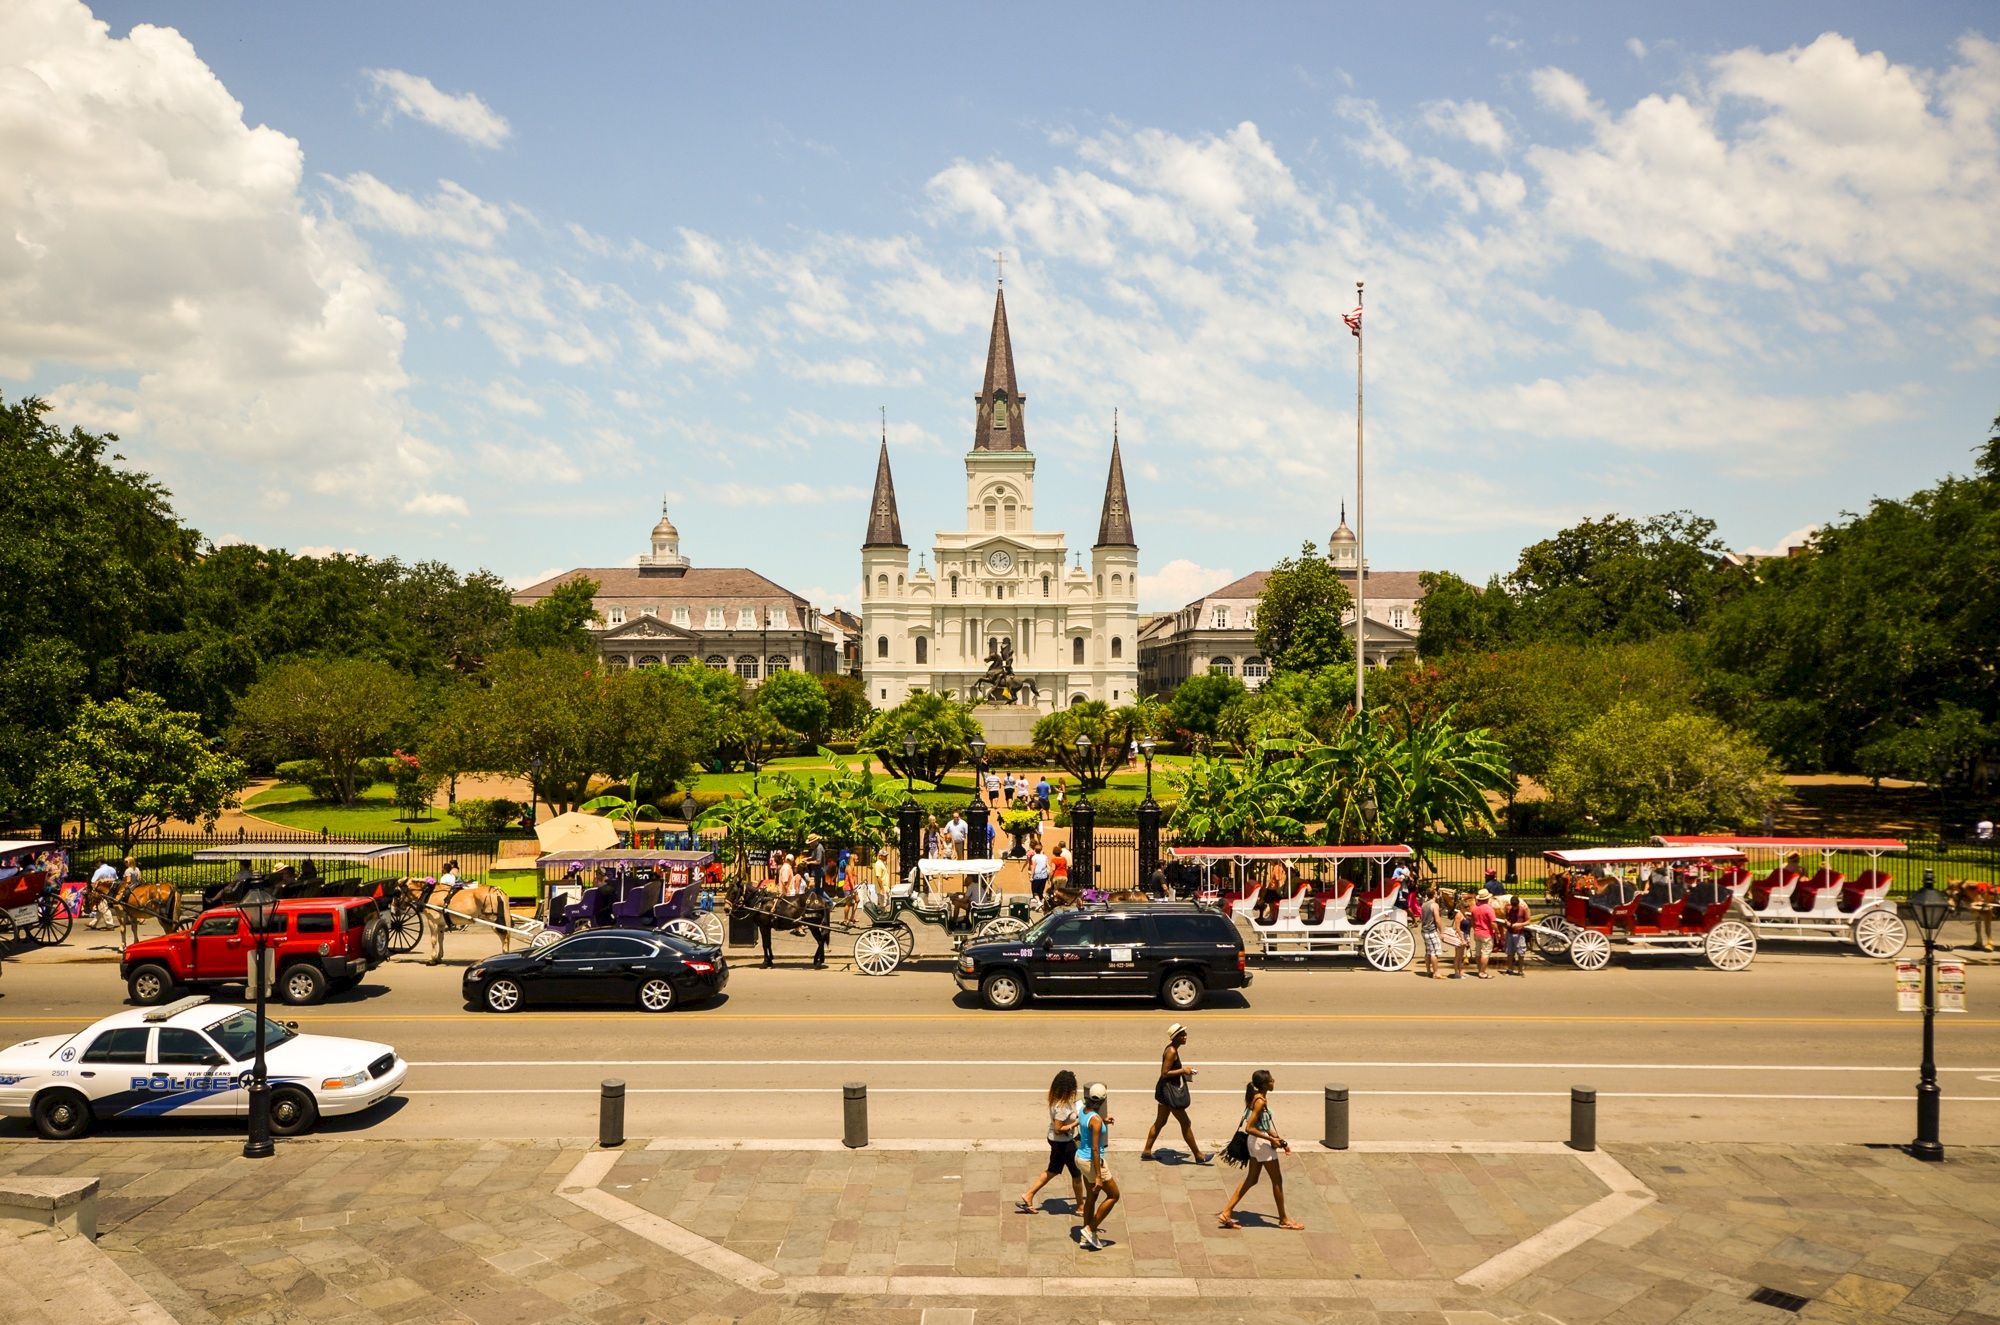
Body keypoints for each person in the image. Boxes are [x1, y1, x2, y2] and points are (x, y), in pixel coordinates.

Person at [1217, 1069, 1302, 1230]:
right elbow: (1250, 1127)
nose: (1273, 1081)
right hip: (1261, 1144)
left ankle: (1226, 1212)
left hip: (1255, 1143)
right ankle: (1284, 1219)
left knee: (1252, 1179)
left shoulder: (1257, 1098)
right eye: (1271, 1080)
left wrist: (1279, 1140)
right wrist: (1271, 1139)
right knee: (1277, 1180)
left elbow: (1263, 1124)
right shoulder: (1260, 1101)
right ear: (1264, 1084)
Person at [1018, 1071, 1085, 1214]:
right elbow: (1059, 1128)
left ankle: (1028, 1195)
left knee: (1053, 1170)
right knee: (1076, 1174)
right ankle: (1080, 1207)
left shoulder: (1057, 1099)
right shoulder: (1062, 1107)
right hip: (1064, 1143)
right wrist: (1075, 1123)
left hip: (1056, 1141)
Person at [1142, 1023, 1209, 1162]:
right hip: (1169, 1093)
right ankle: (1198, 1155)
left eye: (1185, 1034)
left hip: (1164, 1091)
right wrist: (1183, 1070)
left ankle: (1147, 1151)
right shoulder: (1171, 1051)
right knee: (1186, 1122)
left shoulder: (1173, 1049)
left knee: (1160, 1122)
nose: (1185, 1037)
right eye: (1182, 1035)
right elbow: (1165, 1073)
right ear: (1176, 1038)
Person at [1076, 1082, 1118, 1250]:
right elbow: (1095, 1148)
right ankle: (1089, 1229)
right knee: (1114, 1195)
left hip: (1079, 1158)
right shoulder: (1096, 1120)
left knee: (1091, 1198)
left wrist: (1103, 1121)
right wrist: (1099, 1176)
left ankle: (1085, 1238)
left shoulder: (1083, 1110)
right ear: (1103, 1100)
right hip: (1091, 1162)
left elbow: (1088, 1125)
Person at [1470, 890, 1497, 979]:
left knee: (1478, 953)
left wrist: (1475, 929)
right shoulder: (1489, 908)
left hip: (1477, 932)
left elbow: (1473, 922)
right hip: (1487, 933)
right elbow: (1493, 923)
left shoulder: (1474, 908)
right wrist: (1497, 932)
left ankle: (1479, 969)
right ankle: (1482, 972)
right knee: (1485, 953)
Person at [1504, 892, 1533, 977]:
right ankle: (1510, 969)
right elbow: (1506, 918)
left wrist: (1520, 925)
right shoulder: (1508, 908)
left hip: (1519, 934)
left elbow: (1528, 921)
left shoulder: (1523, 910)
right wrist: (1507, 922)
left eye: (1515, 906)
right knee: (1510, 952)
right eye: (1513, 906)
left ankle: (1520, 970)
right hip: (1510, 933)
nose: (1514, 907)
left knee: (1521, 953)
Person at [86, 858, 119, 929]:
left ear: (99, 862)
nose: (96, 865)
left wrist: (93, 890)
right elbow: (116, 879)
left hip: (102, 890)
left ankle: (110, 925)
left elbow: (93, 881)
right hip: (112, 889)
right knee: (101, 907)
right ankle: (93, 924)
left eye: (96, 863)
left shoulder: (99, 871)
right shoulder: (112, 869)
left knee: (103, 907)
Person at [1419, 882, 1442, 979]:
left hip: (1424, 930)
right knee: (1434, 952)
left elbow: (1421, 917)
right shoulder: (1434, 905)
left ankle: (1428, 970)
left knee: (1428, 951)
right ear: (1434, 895)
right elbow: (1437, 919)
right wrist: (1442, 931)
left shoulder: (1424, 904)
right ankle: (1436, 972)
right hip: (1431, 931)